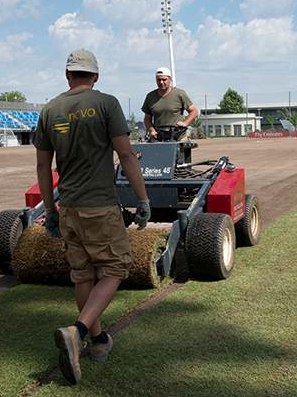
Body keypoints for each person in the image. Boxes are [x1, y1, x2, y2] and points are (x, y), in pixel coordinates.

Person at [33, 49, 150, 386]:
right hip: (100, 206)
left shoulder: (50, 109)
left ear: (67, 74)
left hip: (68, 207)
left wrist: (51, 212)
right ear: (95, 76)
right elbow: (126, 153)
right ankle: (79, 331)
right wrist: (142, 199)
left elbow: (43, 167)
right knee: (115, 267)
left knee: (82, 274)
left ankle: (98, 343)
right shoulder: (106, 104)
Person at [142, 67, 198, 142]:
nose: (161, 82)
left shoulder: (179, 94)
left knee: (182, 149)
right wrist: (151, 130)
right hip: (159, 136)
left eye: (164, 79)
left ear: (170, 79)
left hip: (178, 135)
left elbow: (194, 111)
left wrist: (185, 123)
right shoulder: (150, 96)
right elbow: (147, 119)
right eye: (159, 80)